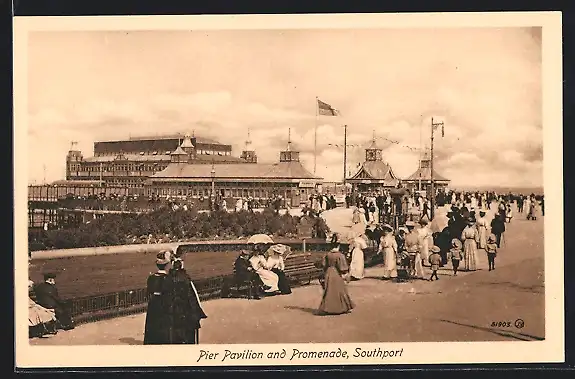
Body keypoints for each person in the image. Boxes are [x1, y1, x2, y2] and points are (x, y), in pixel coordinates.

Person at [166, 254, 208, 344]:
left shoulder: (168, 278)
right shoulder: (185, 278)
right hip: (185, 312)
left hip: (174, 312)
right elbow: (192, 297)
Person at [144, 251, 172, 344]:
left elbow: (148, 292)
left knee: (152, 324)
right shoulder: (168, 278)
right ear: (167, 265)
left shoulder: (151, 277)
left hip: (153, 303)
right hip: (163, 303)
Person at [318, 245, 354, 315]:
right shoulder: (340, 255)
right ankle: (341, 307)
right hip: (336, 273)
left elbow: (323, 264)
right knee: (340, 290)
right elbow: (342, 267)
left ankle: (327, 308)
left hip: (328, 273)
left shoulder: (327, 254)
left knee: (329, 291)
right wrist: (346, 274)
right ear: (338, 246)